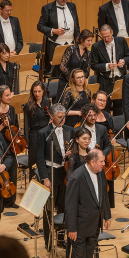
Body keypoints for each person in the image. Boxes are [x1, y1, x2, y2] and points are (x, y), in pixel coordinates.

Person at [66, 148, 111, 258]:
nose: (104, 164)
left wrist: (107, 215)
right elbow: (70, 205)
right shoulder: (77, 177)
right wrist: (72, 228)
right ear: (92, 162)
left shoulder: (100, 173)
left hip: (95, 223)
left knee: (87, 257)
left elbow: (104, 196)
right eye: (102, 161)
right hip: (79, 226)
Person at [36, 104, 74, 250]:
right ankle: (48, 241)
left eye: (64, 117)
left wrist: (72, 153)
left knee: (64, 208)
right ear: (51, 117)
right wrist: (45, 178)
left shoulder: (70, 130)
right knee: (49, 209)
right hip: (51, 172)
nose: (63, 120)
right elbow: (39, 158)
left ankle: (60, 239)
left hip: (66, 173)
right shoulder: (43, 133)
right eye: (59, 117)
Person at [37, 0, 80, 74]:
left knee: (71, 71)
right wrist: (54, 31)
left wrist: (78, 43)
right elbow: (40, 26)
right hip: (55, 45)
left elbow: (77, 26)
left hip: (70, 44)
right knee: (55, 72)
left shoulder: (72, 6)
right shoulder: (47, 8)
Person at [0, 85, 18, 208]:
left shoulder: (12, 109)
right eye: (7, 95)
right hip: (0, 145)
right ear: (0, 97)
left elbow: (15, 126)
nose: (10, 97)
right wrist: (3, 126)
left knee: (13, 172)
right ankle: (1, 200)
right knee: (2, 174)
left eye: (10, 94)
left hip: (12, 144)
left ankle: (11, 200)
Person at [90, 24, 129, 113]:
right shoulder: (96, 46)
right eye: (103, 37)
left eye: (108, 36)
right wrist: (107, 66)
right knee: (104, 109)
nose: (106, 39)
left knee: (120, 108)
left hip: (119, 80)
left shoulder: (122, 41)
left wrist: (123, 61)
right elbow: (93, 65)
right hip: (105, 81)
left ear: (112, 32)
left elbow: (128, 56)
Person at [24, 80, 51, 179]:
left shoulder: (47, 101)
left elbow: (49, 117)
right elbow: (26, 124)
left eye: (39, 91)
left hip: (46, 134)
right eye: (35, 91)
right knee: (34, 161)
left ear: (43, 91)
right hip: (34, 136)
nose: (37, 94)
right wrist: (27, 141)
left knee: (46, 159)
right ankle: (34, 181)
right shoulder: (28, 105)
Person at [57, 29, 93, 102]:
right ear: (82, 40)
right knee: (62, 103)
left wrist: (80, 79)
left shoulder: (88, 54)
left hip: (79, 84)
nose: (90, 43)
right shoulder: (71, 49)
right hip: (66, 81)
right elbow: (62, 66)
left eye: (91, 40)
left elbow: (87, 71)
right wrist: (72, 79)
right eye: (88, 40)